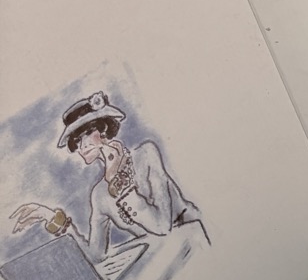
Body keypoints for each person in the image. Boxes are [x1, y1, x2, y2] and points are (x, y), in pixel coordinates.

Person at [8, 90, 205, 256]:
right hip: (161, 255)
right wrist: (52, 217)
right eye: (76, 142)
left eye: (86, 134)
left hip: (192, 241)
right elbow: (95, 256)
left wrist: (119, 185)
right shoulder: (99, 194)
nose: (82, 146)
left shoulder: (146, 154)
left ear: (103, 130)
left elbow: (162, 227)